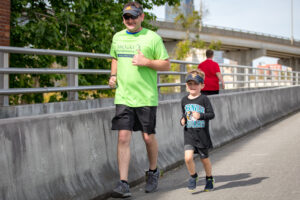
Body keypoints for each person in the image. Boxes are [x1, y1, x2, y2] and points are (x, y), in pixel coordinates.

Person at [108, 1, 170, 198]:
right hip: (124, 95)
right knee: (123, 137)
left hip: (146, 97)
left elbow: (166, 65)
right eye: (126, 17)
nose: (130, 20)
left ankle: (153, 172)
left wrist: (147, 62)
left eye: (133, 16)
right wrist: (113, 75)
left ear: (141, 16)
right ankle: (123, 183)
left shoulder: (152, 38)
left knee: (147, 137)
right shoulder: (117, 37)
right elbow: (115, 57)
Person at [180, 70, 215, 192]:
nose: (192, 86)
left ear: (202, 85)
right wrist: (182, 120)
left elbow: (211, 114)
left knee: (204, 159)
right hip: (189, 134)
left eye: (196, 83)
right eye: (190, 83)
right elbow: (184, 115)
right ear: (186, 85)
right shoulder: (184, 100)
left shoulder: (204, 99)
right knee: (188, 158)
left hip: (202, 135)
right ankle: (193, 176)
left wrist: (201, 115)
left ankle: (209, 178)